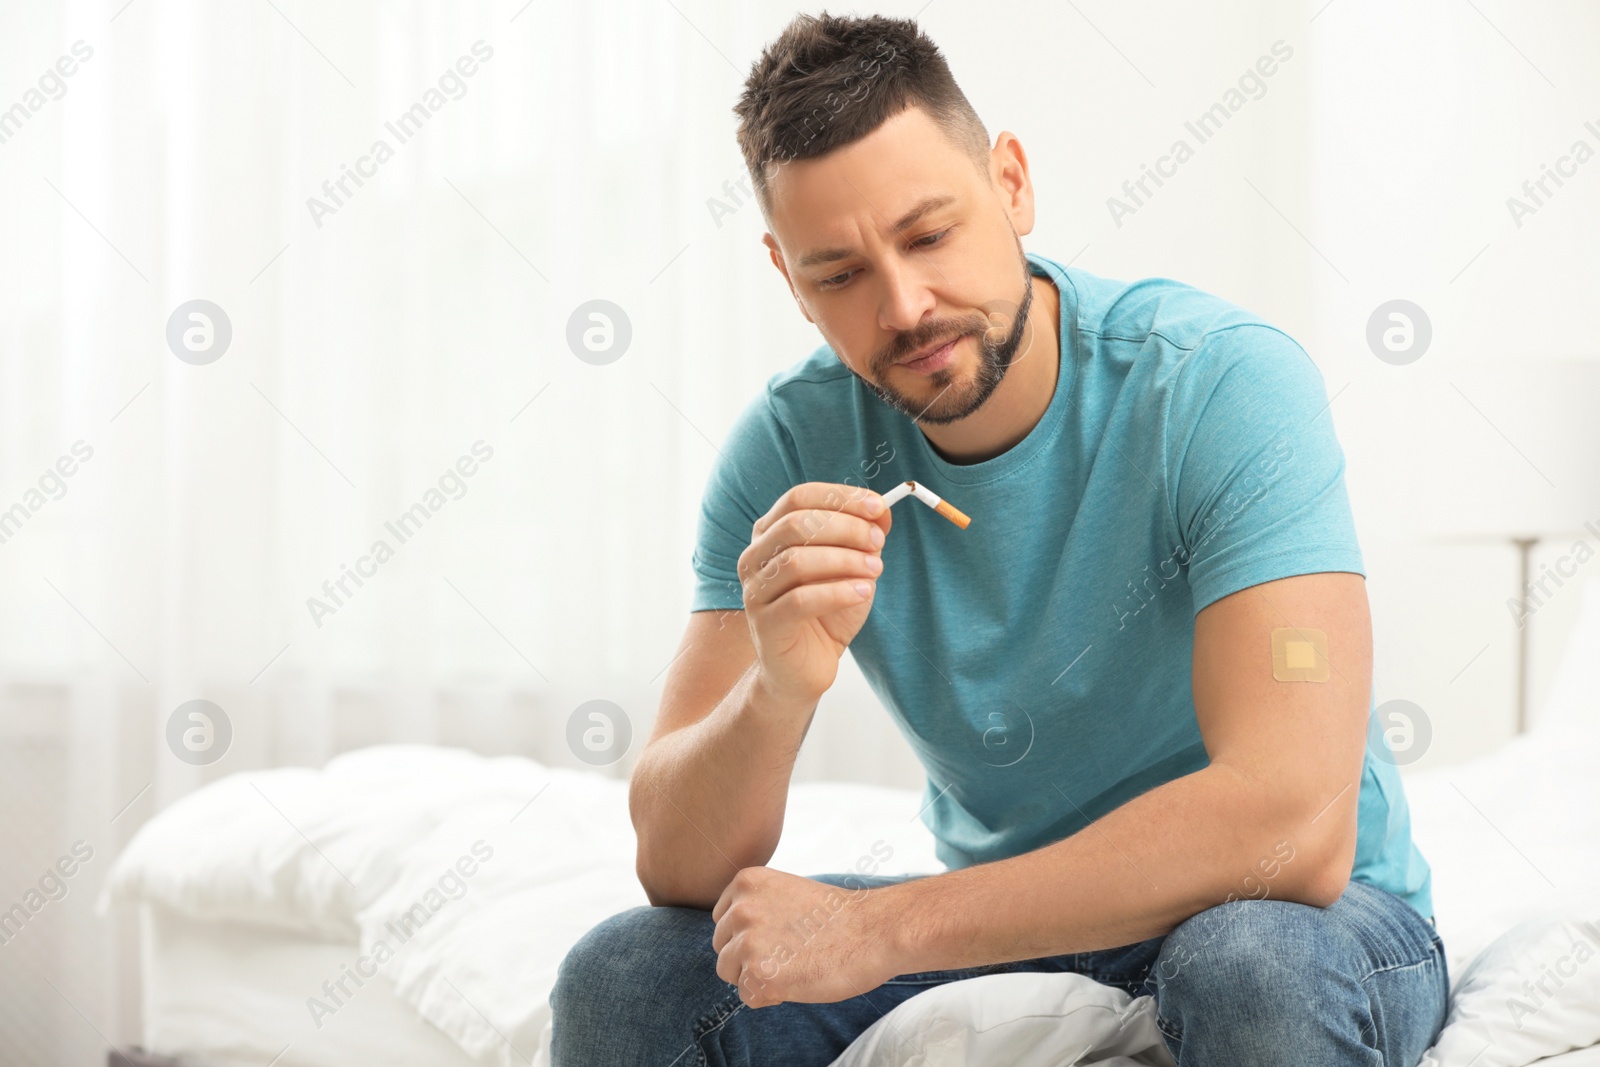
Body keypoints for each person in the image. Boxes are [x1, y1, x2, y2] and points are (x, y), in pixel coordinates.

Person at [552, 11, 1446, 1066]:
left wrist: (881, 928)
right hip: (1019, 921)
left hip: (1308, 915)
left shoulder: (1219, 383)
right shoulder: (788, 450)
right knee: (624, 975)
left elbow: (1288, 827)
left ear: (1011, 184)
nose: (904, 304)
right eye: (838, 273)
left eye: (928, 234)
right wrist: (777, 689)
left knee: (1249, 967)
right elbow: (675, 861)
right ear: (788, 279)